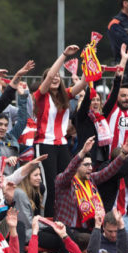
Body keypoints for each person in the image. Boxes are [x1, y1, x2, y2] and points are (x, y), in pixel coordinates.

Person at [33, 45, 89, 218]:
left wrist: (89, 61)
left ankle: (63, 218)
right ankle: (47, 219)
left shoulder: (65, 95)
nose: (55, 78)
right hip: (44, 144)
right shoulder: (41, 95)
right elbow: (50, 75)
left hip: (62, 144)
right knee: (49, 184)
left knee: (65, 182)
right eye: (53, 76)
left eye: (58, 76)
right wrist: (64, 55)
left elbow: (82, 84)